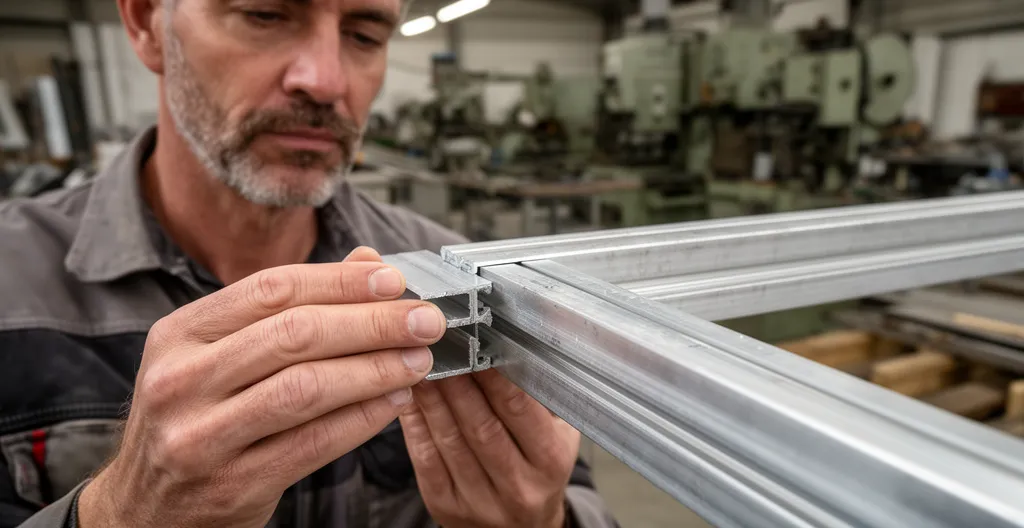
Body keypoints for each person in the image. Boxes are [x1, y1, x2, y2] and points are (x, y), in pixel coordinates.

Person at [0, 1, 618, 527]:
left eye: (365, 34)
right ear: (145, 22)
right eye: (265, 14)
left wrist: (547, 518)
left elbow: (576, 493)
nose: (324, 80)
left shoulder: (458, 286)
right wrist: (113, 515)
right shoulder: (14, 287)